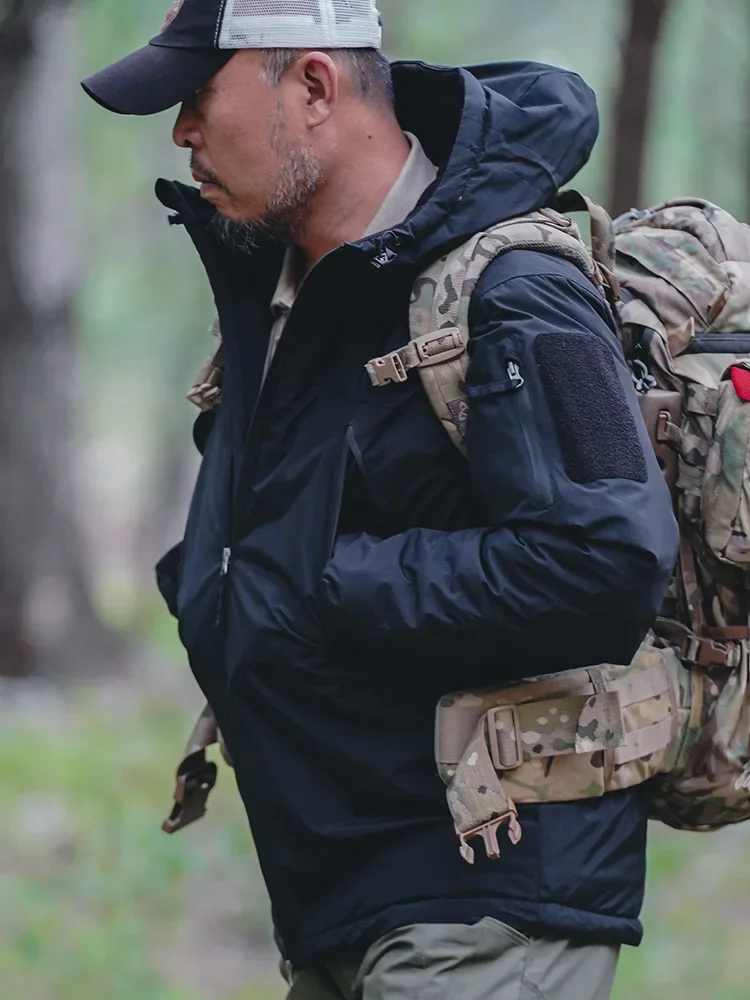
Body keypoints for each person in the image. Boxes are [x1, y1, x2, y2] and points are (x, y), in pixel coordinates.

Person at [82, 2, 678, 998]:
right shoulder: (283, 286)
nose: (181, 131)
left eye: (197, 97)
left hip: (481, 898)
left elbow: (608, 555)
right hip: (344, 887)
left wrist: (325, 584)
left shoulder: (514, 286)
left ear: (314, 88)